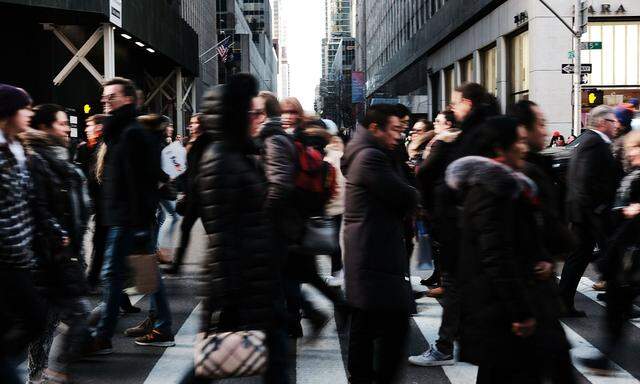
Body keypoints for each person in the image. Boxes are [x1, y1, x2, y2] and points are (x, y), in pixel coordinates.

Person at [446, 116, 574, 384]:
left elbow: (523, 241)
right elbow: (496, 256)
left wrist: (542, 259)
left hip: (511, 306)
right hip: (502, 312)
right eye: (518, 141)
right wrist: (520, 313)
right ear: (498, 149)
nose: (524, 147)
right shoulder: (491, 192)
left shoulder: (512, 187)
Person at [192, 73, 288, 383]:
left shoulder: (238, 156)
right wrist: (228, 296)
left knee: (272, 361)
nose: (256, 119)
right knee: (212, 365)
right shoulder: (221, 160)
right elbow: (224, 235)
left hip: (255, 281)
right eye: (251, 112)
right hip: (241, 286)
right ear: (234, 116)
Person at [410, 84, 498, 368]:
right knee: (464, 284)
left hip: (461, 226)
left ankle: (447, 344)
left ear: (468, 104)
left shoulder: (462, 139)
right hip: (467, 225)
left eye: (456, 103)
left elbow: (433, 176)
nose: (452, 108)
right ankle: (460, 341)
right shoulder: (479, 132)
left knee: (456, 284)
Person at [87, 77, 174, 354]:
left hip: (128, 219)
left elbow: (145, 180)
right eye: (104, 97)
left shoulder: (133, 132)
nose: (106, 101)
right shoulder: (119, 131)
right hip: (121, 217)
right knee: (145, 273)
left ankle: (103, 336)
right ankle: (161, 325)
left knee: (115, 275)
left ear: (127, 99)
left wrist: (139, 223)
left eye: (111, 96)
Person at [342, 104, 419, 383]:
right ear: (375, 128)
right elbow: (405, 195)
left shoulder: (368, 152)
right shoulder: (371, 157)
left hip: (370, 251)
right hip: (375, 252)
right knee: (390, 326)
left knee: (368, 322)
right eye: (396, 129)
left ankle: (363, 376)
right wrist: (411, 191)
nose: (400, 136)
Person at [22, 104, 91, 384]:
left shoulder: (59, 157)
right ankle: (46, 374)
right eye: (62, 123)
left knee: (50, 323)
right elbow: (38, 207)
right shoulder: (37, 159)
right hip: (49, 257)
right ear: (45, 127)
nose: (67, 128)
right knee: (71, 315)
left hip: (63, 254)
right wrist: (57, 235)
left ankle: (42, 374)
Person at [581, 130, 640, 372]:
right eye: (631, 149)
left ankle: (604, 358)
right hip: (626, 249)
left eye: (637, 148)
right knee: (617, 306)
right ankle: (605, 356)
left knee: (618, 303)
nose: (632, 153)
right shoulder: (631, 175)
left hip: (633, 252)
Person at [0, 84, 46, 384]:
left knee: (29, 319)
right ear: (7, 112)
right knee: (34, 317)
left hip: (20, 256)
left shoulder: (18, 148)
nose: (30, 112)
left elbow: (27, 201)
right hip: (6, 257)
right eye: (25, 107)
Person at [559, 105, 623, 317]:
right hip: (591, 217)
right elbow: (583, 182)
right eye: (613, 121)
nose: (617, 125)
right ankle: (617, 303)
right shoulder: (593, 143)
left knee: (583, 259)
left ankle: (565, 303)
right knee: (605, 258)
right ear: (602, 123)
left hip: (588, 215)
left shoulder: (590, 142)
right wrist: (597, 211)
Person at [509, 100, 574, 258]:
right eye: (541, 124)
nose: (545, 132)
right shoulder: (525, 173)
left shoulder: (536, 166)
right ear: (523, 129)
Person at [165, 113, 209, 275]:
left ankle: (216, 261)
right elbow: (184, 168)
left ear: (202, 124)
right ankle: (177, 265)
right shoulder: (187, 142)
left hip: (204, 194)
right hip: (192, 194)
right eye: (191, 122)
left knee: (211, 230)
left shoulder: (206, 142)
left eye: (195, 122)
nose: (192, 125)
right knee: (185, 229)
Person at [76, 114, 109, 288]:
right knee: (99, 242)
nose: (86, 129)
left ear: (99, 128)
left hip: (103, 204)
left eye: (89, 125)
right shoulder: (85, 148)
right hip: (92, 202)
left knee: (101, 242)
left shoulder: (104, 147)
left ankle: (93, 279)